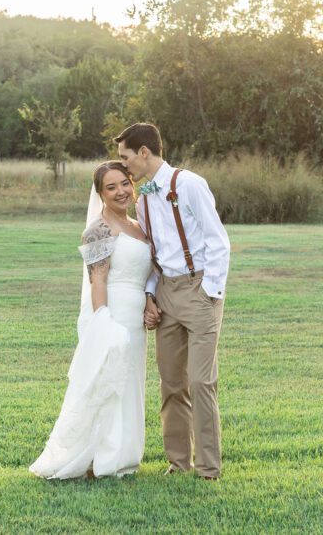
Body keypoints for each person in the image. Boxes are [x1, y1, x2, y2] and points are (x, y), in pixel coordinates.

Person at [115, 123, 231, 481]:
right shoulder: (145, 195)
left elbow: (218, 242)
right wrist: (151, 293)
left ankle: (209, 468)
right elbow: (154, 252)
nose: (123, 165)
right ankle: (178, 462)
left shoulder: (190, 184)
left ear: (144, 153)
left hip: (198, 291)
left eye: (125, 157)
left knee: (200, 382)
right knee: (171, 384)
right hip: (165, 290)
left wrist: (208, 293)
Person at [29, 161, 152, 479]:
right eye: (111, 187)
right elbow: (98, 280)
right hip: (108, 313)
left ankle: (122, 456)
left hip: (136, 319)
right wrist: (104, 322)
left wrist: (150, 301)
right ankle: (97, 460)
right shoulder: (98, 229)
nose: (121, 191)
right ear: (100, 194)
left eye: (124, 183)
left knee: (128, 384)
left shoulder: (138, 227)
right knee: (103, 383)